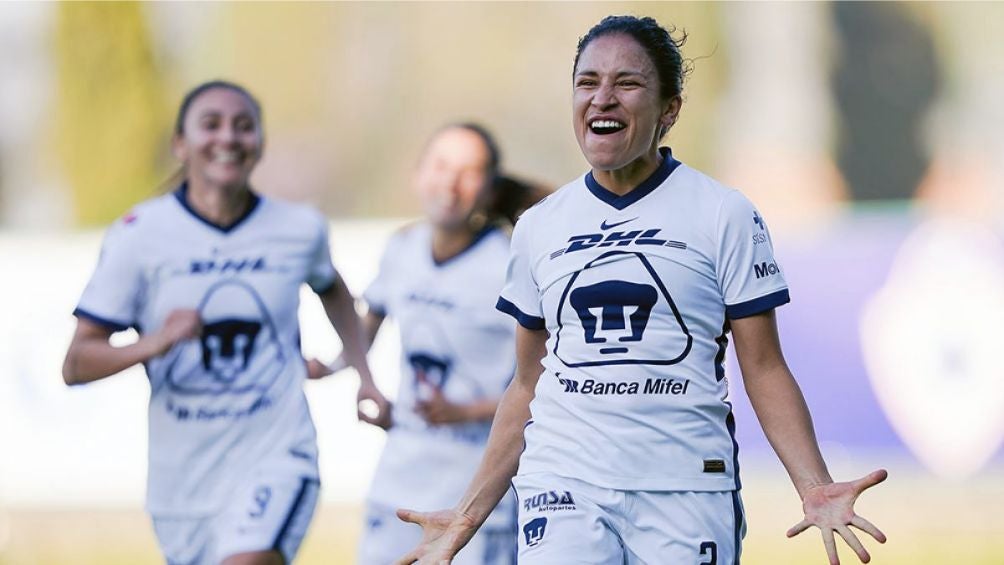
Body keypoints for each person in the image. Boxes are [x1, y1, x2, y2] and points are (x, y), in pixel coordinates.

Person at [395, 15, 886, 565]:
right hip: (564, 484)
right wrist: (467, 512)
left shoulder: (723, 214)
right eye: (588, 83)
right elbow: (528, 385)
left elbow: (764, 367)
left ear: (669, 110)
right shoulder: (539, 227)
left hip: (686, 486)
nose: (602, 98)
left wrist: (813, 484)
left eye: (626, 83)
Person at [61, 80, 387, 565]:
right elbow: (76, 364)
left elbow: (333, 289)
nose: (228, 138)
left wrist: (363, 375)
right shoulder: (139, 234)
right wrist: (156, 342)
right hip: (182, 481)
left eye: (243, 126)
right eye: (210, 124)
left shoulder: (299, 229)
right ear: (180, 143)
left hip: (276, 454)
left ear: (260, 142)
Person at [309, 124, 547, 565]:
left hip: (474, 495)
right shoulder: (403, 247)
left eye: (469, 171)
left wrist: (466, 411)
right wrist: (338, 368)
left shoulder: (511, 261)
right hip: (398, 481)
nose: (451, 183)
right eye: (440, 166)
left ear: (490, 188)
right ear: (418, 174)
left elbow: (546, 379)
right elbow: (367, 327)